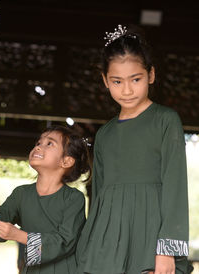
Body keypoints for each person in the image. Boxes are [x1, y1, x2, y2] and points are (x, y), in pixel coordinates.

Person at [75, 25, 191, 274]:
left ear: (151, 75)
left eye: (135, 79)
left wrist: (167, 250)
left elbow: (176, 186)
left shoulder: (165, 120)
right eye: (117, 81)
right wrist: (88, 248)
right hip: (107, 242)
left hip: (150, 237)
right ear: (105, 81)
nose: (126, 90)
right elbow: (98, 197)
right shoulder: (104, 134)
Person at [0, 125, 91, 273]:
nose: (38, 147)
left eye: (49, 143)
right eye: (38, 143)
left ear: (66, 161)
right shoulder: (21, 194)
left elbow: (65, 242)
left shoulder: (74, 198)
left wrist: (18, 235)